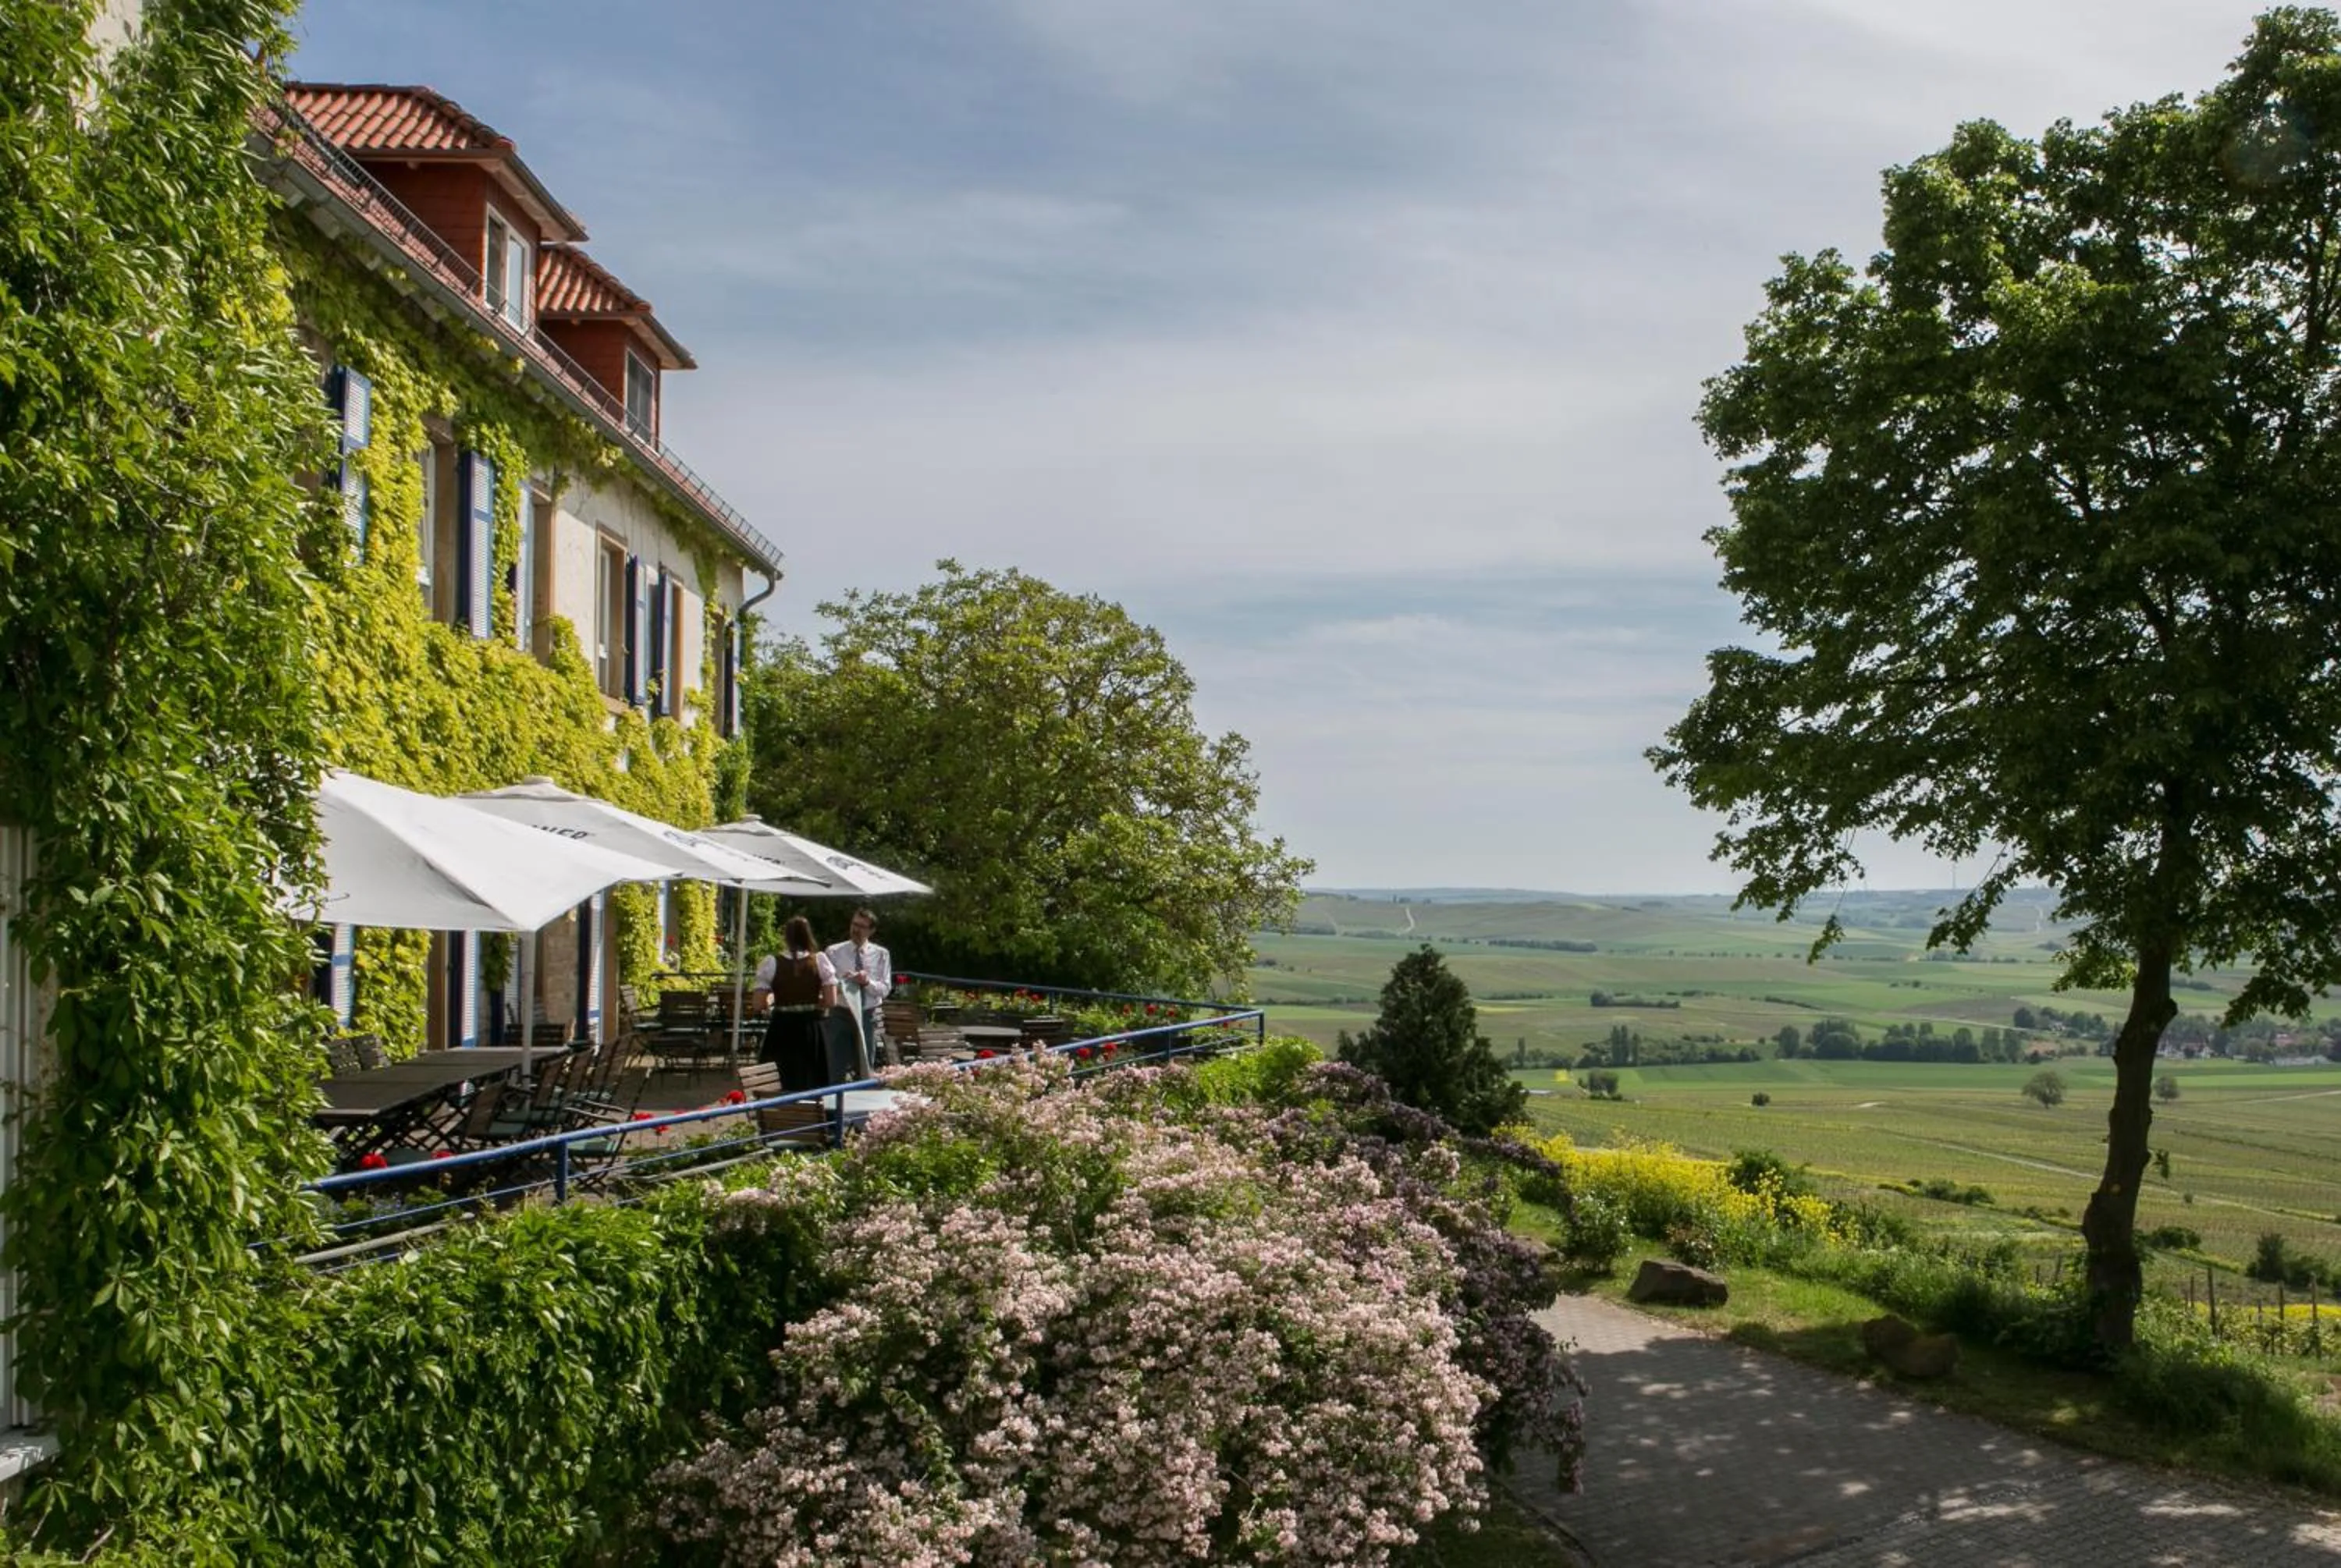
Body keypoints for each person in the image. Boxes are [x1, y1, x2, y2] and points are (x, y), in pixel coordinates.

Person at [751, 916, 835, 1092]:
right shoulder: (819, 960)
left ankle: (779, 1117)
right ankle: (814, 1116)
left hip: (782, 1026)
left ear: (786, 937)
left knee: (781, 1077)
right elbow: (830, 1001)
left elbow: (758, 1004)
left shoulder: (771, 962)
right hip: (811, 1027)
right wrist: (811, 999)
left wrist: (774, 999)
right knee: (812, 1077)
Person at [823, 907, 892, 1073]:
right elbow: (825, 985)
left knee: (865, 1067)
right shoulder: (833, 952)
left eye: (862, 926)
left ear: (871, 931)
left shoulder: (881, 954)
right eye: (854, 924)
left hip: (867, 1015)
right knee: (835, 1066)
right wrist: (844, 984)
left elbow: (885, 989)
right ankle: (834, 1098)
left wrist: (866, 982)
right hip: (841, 1013)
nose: (856, 929)